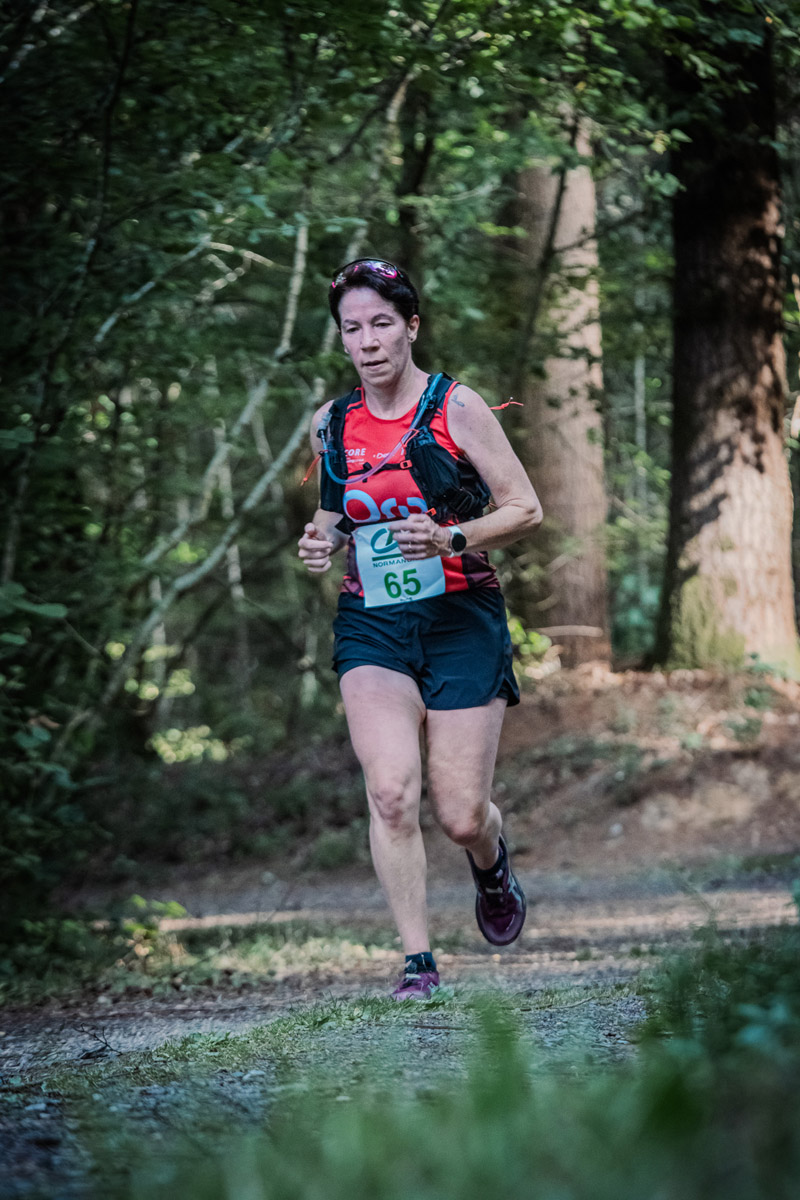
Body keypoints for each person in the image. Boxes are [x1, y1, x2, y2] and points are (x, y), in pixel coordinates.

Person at [297, 258, 542, 999]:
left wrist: (451, 538)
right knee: (391, 792)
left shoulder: (455, 407)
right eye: (353, 329)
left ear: (410, 327)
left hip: (461, 618)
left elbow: (525, 508)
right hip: (373, 623)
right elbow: (334, 513)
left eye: (381, 324)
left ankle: (490, 865)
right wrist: (319, 542)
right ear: (342, 339)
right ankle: (417, 962)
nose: (368, 341)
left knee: (461, 815)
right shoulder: (331, 422)